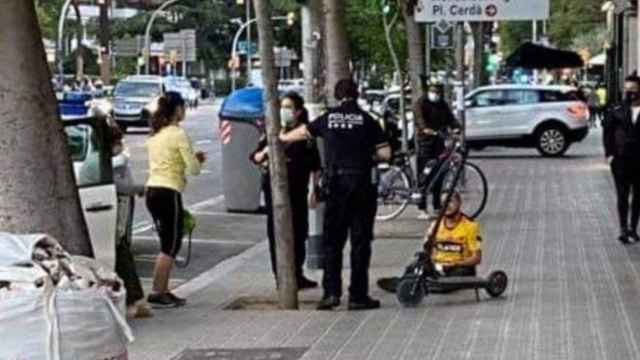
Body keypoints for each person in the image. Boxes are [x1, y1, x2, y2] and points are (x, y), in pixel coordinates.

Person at [280, 79, 391, 311]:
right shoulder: (368, 120)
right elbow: (385, 153)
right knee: (360, 242)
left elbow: (301, 133)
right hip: (361, 184)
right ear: (357, 94)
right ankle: (358, 296)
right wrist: (368, 155)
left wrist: (281, 136)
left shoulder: (328, 118)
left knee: (333, 242)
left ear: (337, 95)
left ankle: (331, 293)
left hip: (336, 186)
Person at [250, 92, 321, 290]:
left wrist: (314, 190)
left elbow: (316, 165)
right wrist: (266, 151)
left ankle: (297, 274)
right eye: (282, 107)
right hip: (275, 191)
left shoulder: (304, 135)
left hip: (298, 191)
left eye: (289, 107)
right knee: (277, 232)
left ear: (298, 112)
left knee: (299, 232)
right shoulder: (272, 131)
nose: (284, 111)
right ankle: (281, 276)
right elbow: (255, 157)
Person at [145, 91, 206, 307]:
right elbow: (193, 169)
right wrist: (198, 160)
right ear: (178, 109)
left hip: (152, 190)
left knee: (167, 241)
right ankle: (157, 292)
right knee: (170, 245)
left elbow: (170, 162)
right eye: (183, 108)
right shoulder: (178, 134)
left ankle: (163, 289)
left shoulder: (155, 136)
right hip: (169, 192)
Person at [109, 122, 153, 319]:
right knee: (122, 253)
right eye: (118, 141)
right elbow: (123, 186)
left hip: (115, 216)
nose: (121, 145)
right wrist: (138, 189)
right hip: (116, 216)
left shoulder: (114, 161)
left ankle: (134, 299)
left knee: (122, 254)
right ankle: (133, 300)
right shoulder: (113, 164)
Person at [414, 84, 461, 219]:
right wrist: (425, 129)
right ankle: (422, 207)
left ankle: (436, 205)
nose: (435, 95)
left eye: (438, 92)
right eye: (433, 92)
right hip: (425, 142)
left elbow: (450, 118)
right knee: (425, 175)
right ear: (428, 91)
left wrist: (457, 127)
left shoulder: (442, 104)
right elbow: (419, 119)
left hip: (439, 142)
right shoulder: (421, 103)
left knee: (439, 174)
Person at [603, 74, 640, 244]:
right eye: (627, 89)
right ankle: (623, 229)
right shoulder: (616, 109)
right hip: (621, 159)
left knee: (638, 196)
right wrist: (609, 155)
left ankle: (633, 227)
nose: (630, 93)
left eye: (633, 90)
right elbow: (607, 133)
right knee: (622, 195)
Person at [424, 192, 482, 277]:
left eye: (449, 201)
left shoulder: (470, 226)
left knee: (457, 274)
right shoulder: (435, 225)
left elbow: (476, 258)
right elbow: (426, 249)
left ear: (459, 203)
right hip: (438, 267)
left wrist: (455, 264)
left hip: (459, 268)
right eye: (443, 203)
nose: (446, 205)